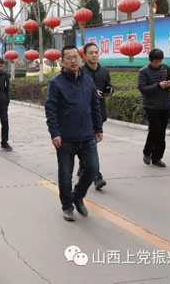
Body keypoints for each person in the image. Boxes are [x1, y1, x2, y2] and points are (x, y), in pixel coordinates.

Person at [45, 45, 103, 222]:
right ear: (62, 61)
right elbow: (51, 110)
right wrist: (55, 133)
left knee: (92, 168)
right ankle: (67, 206)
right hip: (65, 138)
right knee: (65, 174)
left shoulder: (88, 81)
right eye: (69, 58)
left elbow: (95, 105)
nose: (73, 61)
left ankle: (77, 196)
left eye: (76, 57)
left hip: (87, 135)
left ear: (80, 58)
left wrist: (98, 128)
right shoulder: (56, 83)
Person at [77, 42, 112, 190]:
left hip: (99, 113)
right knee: (90, 145)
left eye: (96, 52)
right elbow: (75, 91)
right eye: (91, 53)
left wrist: (108, 91)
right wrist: (91, 92)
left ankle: (83, 167)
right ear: (84, 56)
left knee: (90, 145)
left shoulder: (104, 71)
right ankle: (96, 176)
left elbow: (109, 85)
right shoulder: (79, 71)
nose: (94, 55)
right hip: (83, 114)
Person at [138, 48, 170, 168]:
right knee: (155, 130)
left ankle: (157, 157)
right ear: (150, 60)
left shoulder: (165, 68)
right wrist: (158, 86)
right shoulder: (143, 72)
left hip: (165, 105)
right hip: (151, 106)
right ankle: (147, 152)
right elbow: (143, 89)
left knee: (162, 132)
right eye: (156, 61)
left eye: (160, 61)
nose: (158, 63)